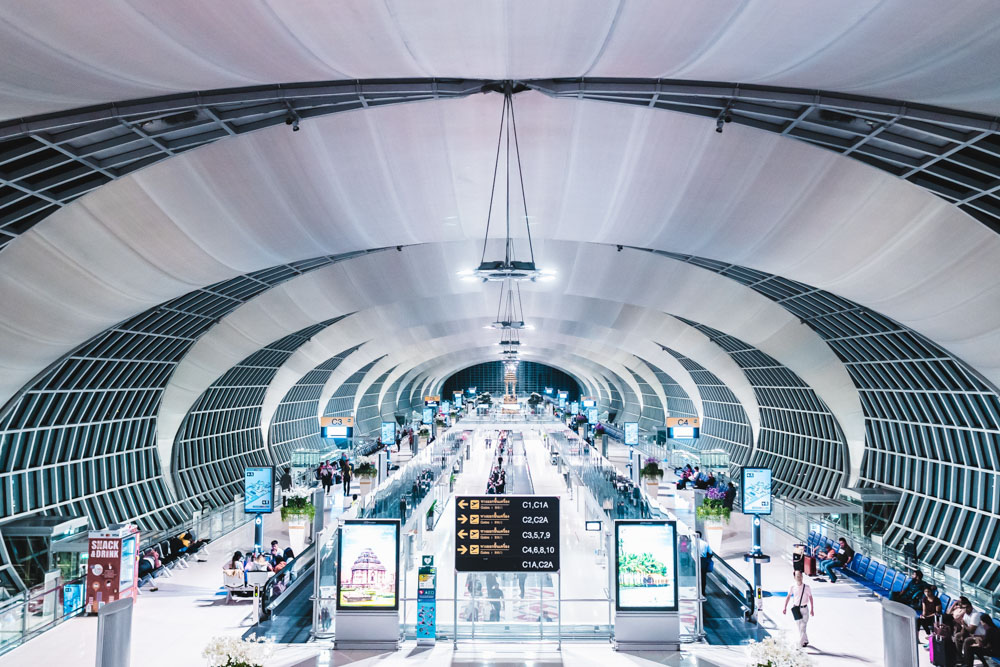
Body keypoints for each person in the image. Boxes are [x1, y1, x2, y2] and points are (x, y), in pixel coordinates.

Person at [783, 570, 815, 647]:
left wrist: (812, 609)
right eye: (797, 576)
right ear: (794, 577)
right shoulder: (792, 587)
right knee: (800, 627)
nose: (799, 577)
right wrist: (785, 607)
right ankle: (805, 640)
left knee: (803, 626)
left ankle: (800, 644)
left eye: (800, 575)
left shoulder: (807, 587)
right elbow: (788, 597)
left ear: (802, 576)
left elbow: (810, 597)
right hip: (796, 609)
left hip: (805, 609)